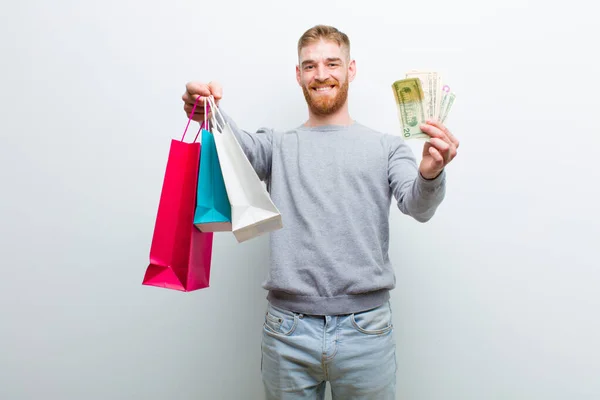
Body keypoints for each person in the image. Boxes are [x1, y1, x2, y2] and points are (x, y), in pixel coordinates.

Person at [182, 24, 458, 400]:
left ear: (351, 69)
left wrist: (431, 173)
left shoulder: (387, 147)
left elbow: (418, 205)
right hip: (287, 332)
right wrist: (209, 112)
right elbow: (237, 149)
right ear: (298, 75)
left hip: (367, 332)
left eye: (332, 63)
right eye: (310, 66)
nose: (322, 74)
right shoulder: (277, 145)